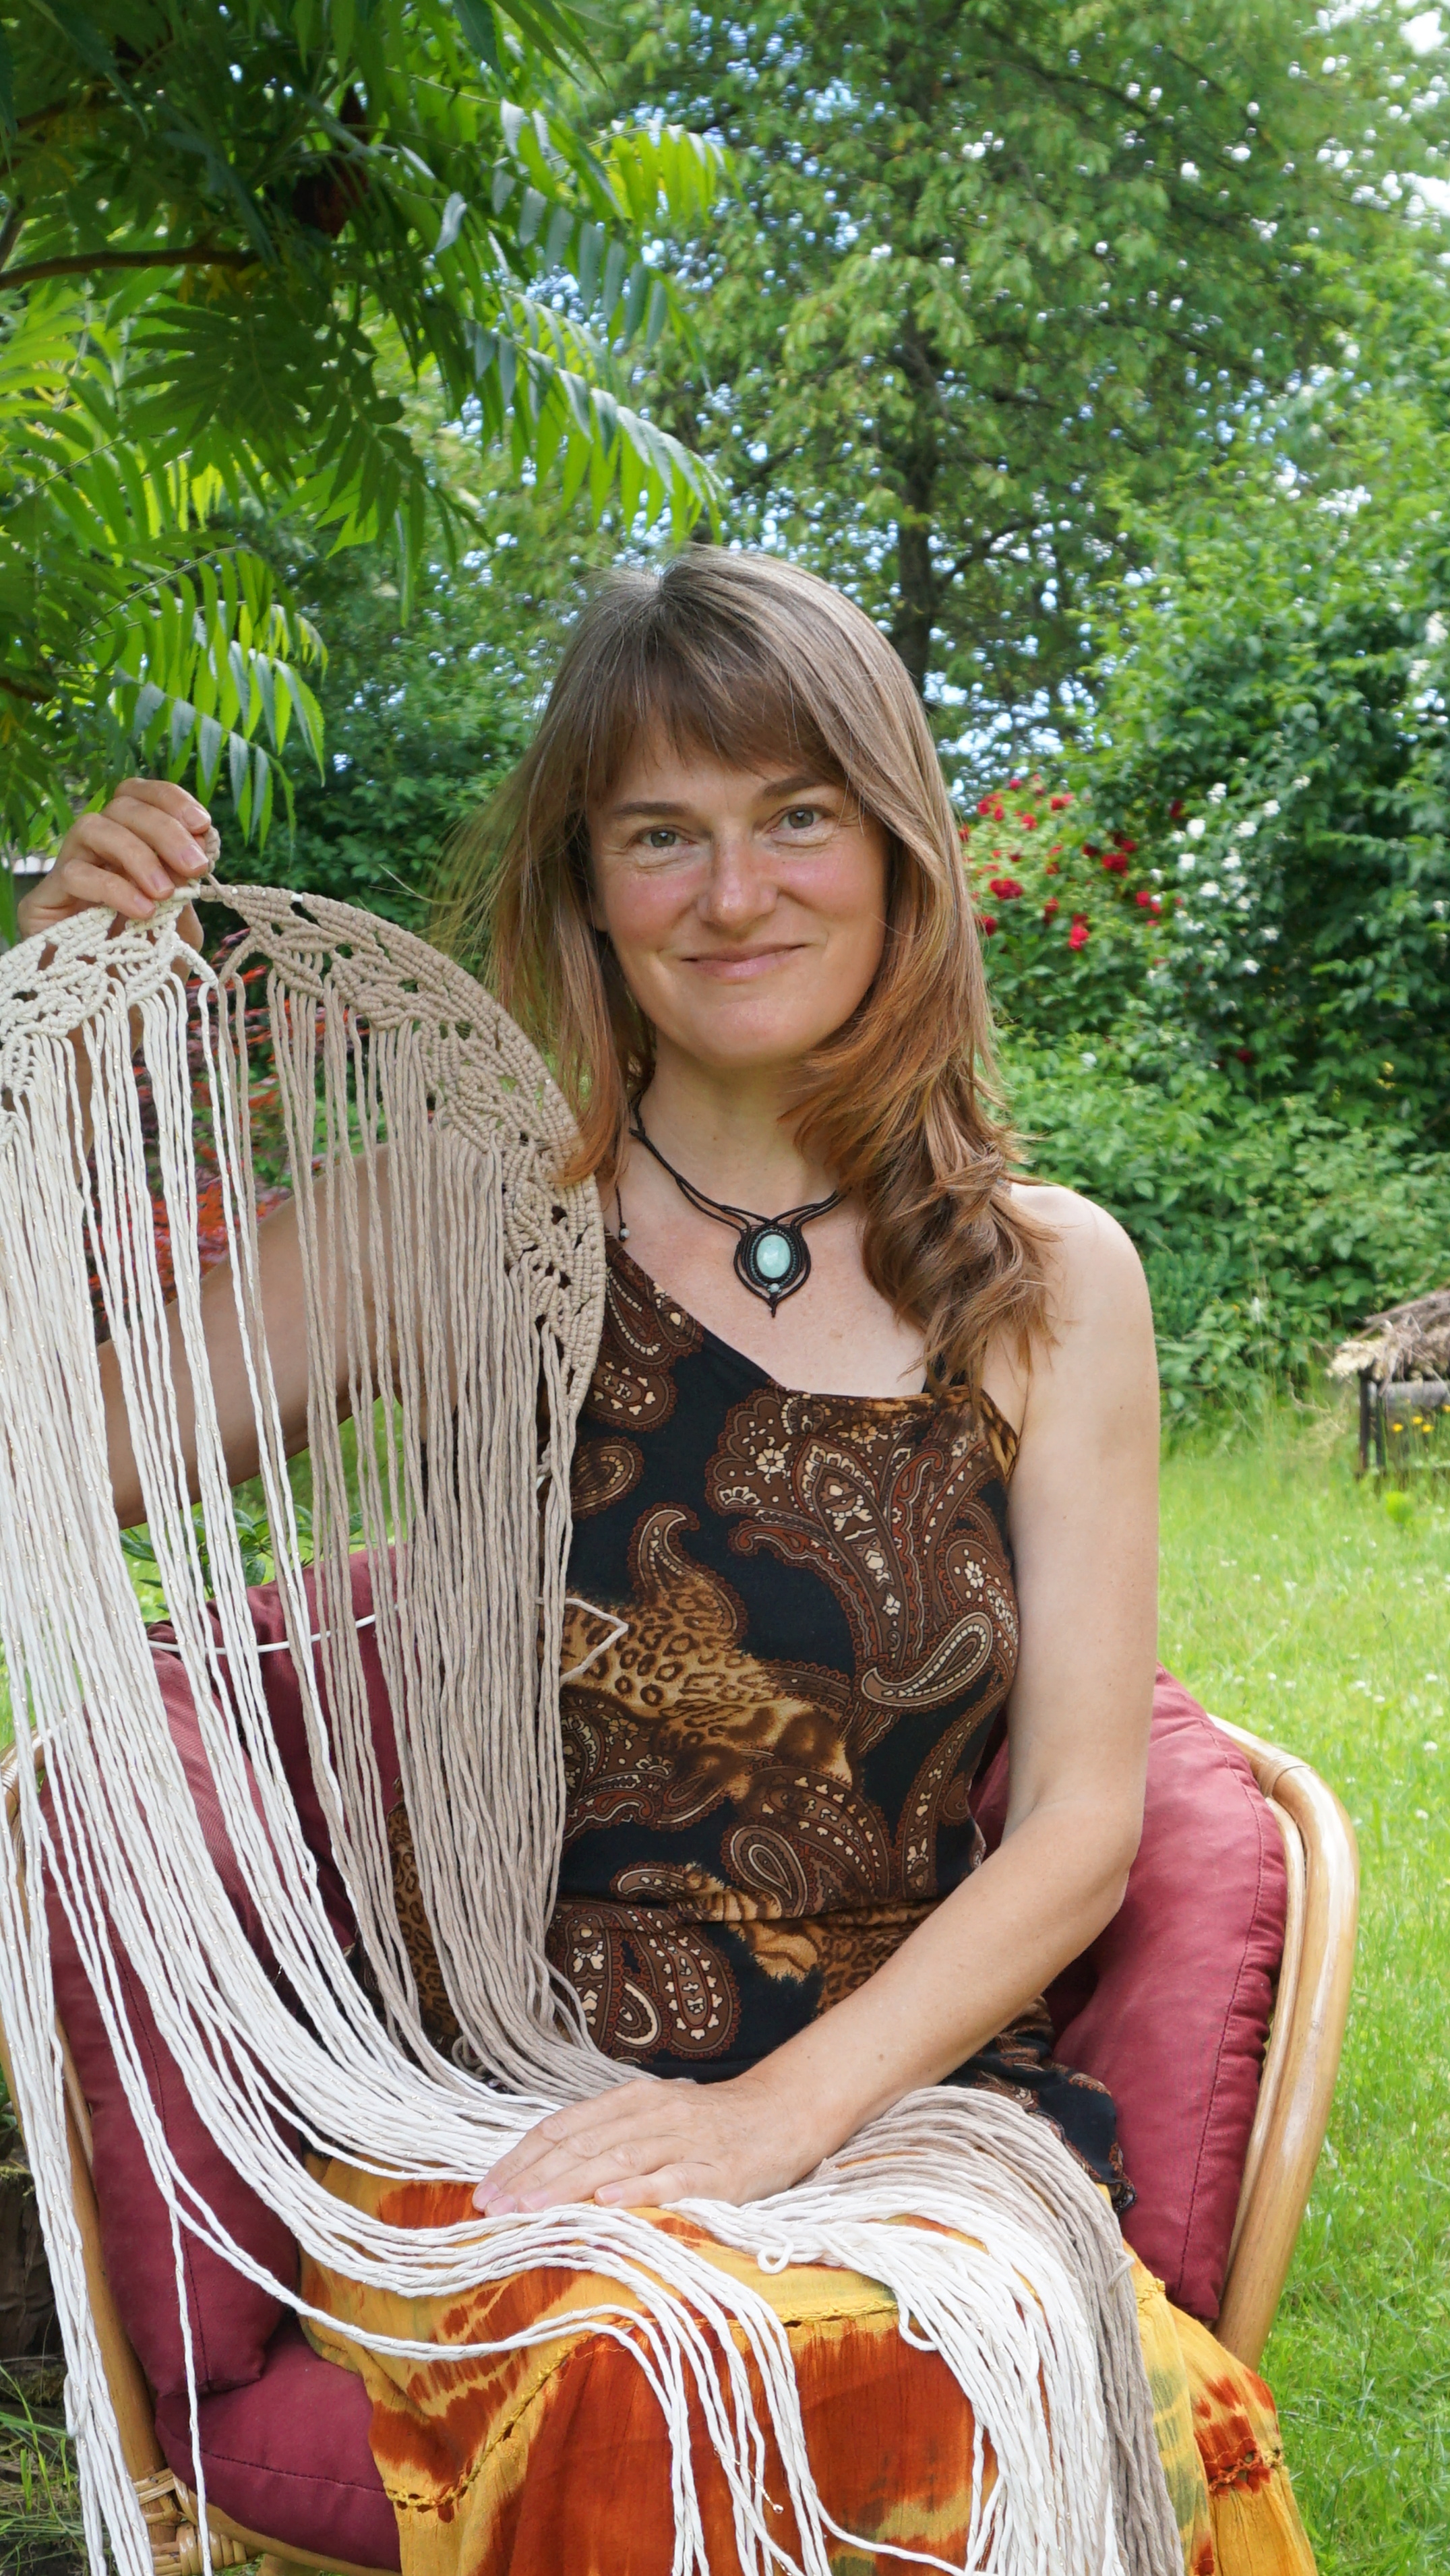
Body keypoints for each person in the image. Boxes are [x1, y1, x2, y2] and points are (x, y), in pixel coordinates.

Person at [20, 549, 1315, 2574]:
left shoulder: (1049, 1281)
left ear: (895, 856)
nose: (732, 894)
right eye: (660, 835)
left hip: (911, 2116)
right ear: (589, 888)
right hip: (521, 2110)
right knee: (650, 2376)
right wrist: (64, 1064)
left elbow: (1080, 1823)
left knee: (1013, 2386)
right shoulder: (461, 1217)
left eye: (796, 816)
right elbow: (60, 1452)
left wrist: (772, 2124)